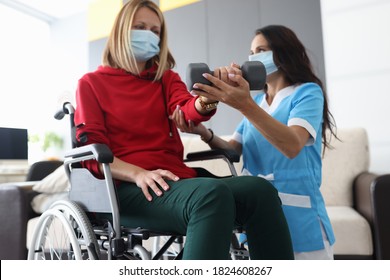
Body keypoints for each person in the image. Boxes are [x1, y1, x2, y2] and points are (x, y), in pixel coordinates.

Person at [74, 0, 293, 260]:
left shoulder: (165, 79)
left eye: (155, 31)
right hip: (126, 188)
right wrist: (139, 174)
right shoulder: (91, 84)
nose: (149, 35)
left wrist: (210, 95)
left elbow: (188, 108)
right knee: (211, 194)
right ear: (122, 31)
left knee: (260, 191)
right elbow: (92, 155)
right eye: (140, 27)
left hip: (175, 181)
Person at [173, 25, 337, 260]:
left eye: (261, 50)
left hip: (299, 217)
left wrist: (243, 104)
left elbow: (292, 145)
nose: (253, 58)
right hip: (257, 212)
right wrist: (203, 133)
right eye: (251, 52)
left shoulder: (307, 93)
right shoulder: (257, 101)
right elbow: (233, 150)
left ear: (283, 53)